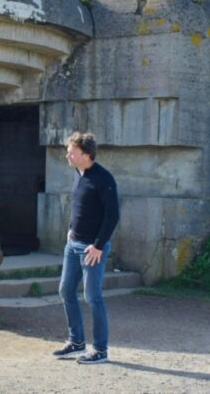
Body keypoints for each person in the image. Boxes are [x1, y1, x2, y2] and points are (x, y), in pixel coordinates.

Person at [52, 132, 119, 365]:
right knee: (66, 290)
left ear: (86, 155)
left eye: (72, 151)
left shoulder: (104, 178)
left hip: (93, 249)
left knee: (92, 297)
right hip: (73, 245)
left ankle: (100, 350)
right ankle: (77, 342)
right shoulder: (77, 173)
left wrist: (99, 246)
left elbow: (112, 216)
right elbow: (79, 206)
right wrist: (71, 229)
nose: (67, 155)